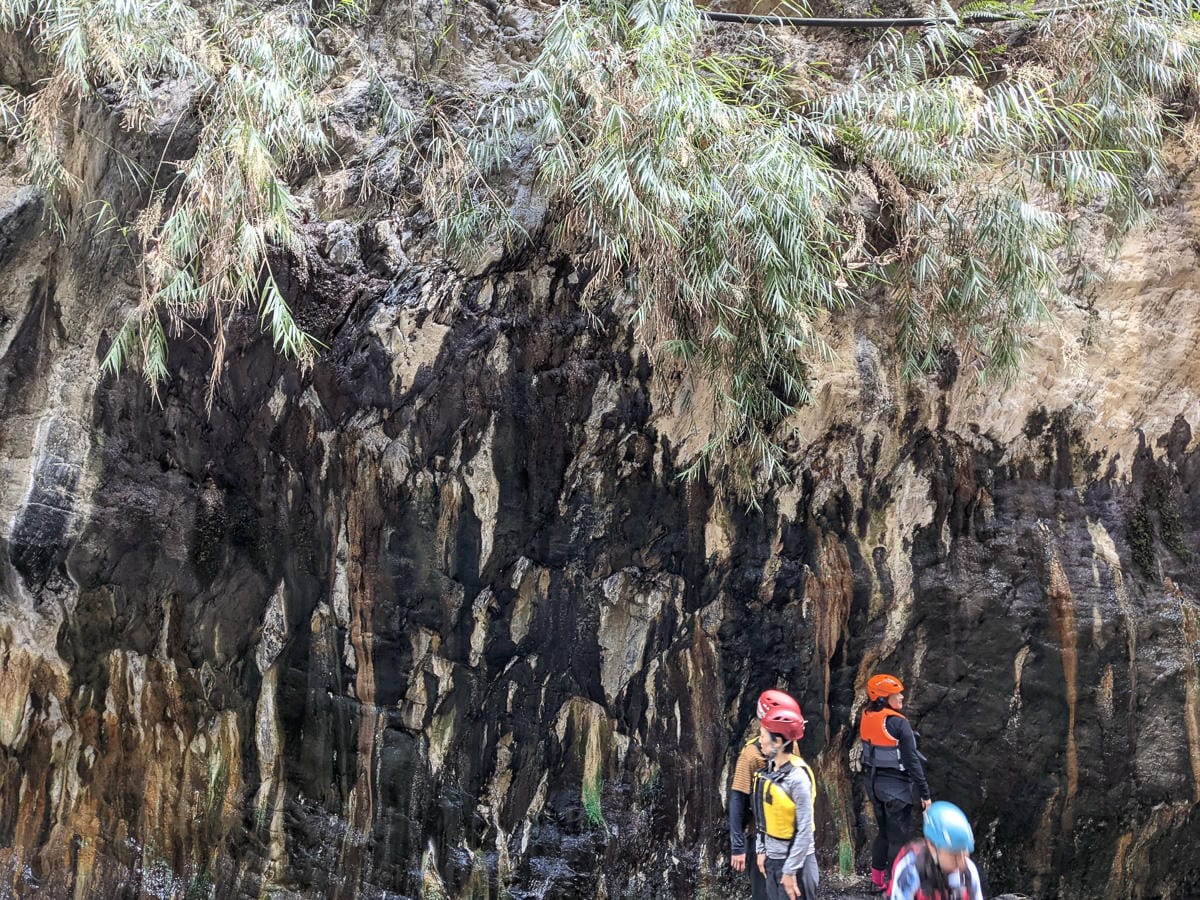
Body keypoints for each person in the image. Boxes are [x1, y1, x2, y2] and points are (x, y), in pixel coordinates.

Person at [860, 674, 931, 893]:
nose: (901, 696)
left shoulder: (867, 715)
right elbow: (911, 761)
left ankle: (877, 881)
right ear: (883, 698)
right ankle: (894, 887)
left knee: (883, 833)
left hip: (873, 786)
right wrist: (925, 794)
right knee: (898, 840)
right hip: (896, 791)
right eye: (896, 694)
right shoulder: (899, 724)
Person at [730, 690, 803, 899]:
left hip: (787, 834)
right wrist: (738, 846)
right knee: (763, 891)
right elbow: (738, 798)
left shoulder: (792, 747)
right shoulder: (751, 755)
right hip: (759, 835)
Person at [751, 707, 819, 900]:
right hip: (773, 860)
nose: (760, 740)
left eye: (763, 735)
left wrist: (790, 871)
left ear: (778, 742)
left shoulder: (798, 779)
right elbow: (763, 817)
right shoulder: (770, 770)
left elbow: (805, 830)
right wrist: (762, 850)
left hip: (796, 864)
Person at [889, 801, 983, 900]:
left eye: (965, 854)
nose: (961, 864)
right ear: (932, 846)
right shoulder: (910, 871)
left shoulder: (969, 871)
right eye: (954, 856)